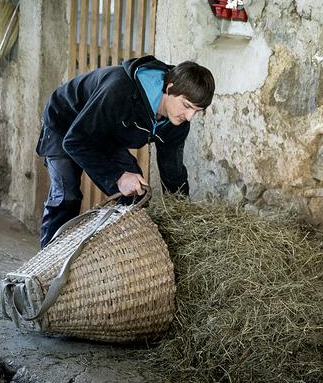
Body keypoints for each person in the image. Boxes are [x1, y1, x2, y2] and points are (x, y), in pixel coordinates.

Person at [36, 55, 215, 248]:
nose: (189, 117)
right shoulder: (120, 89)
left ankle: (120, 262)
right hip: (65, 122)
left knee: (135, 195)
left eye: (196, 111)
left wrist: (183, 213)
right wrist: (118, 176)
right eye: (187, 106)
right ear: (169, 88)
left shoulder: (177, 122)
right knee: (67, 196)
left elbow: (173, 171)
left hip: (104, 132)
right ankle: (44, 269)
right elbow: (75, 141)